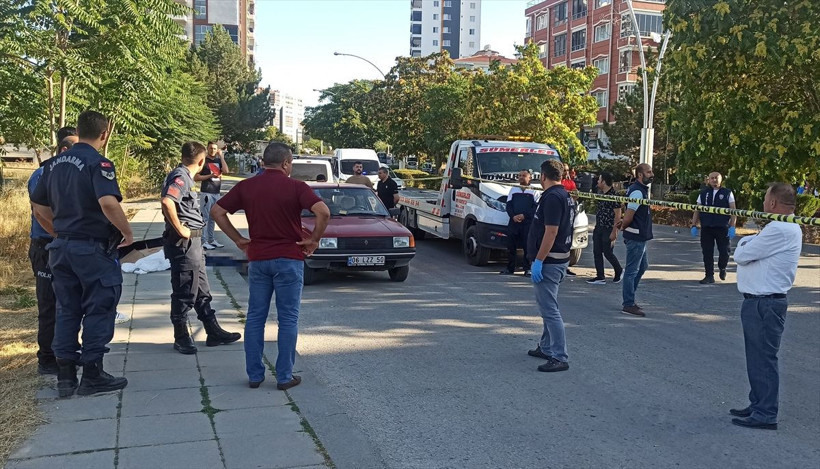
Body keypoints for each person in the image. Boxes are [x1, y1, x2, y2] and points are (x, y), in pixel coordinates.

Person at [211, 142, 331, 390]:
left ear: (264, 162)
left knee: (255, 317)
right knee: (288, 319)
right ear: (287, 163)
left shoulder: (246, 186)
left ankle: (255, 375)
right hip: (289, 259)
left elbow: (217, 211)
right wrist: (314, 239)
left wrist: (238, 239)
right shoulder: (296, 187)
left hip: (258, 259)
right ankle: (284, 377)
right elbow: (323, 212)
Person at [30, 110, 131, 398]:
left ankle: (65, 376)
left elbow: (40, 209)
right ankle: (93, 374)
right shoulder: (98, 163)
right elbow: (108, 203)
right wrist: (128, 233)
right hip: (91, 249)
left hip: (60, 249)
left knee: (67, 308)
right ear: (104, 133)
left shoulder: (51, 165)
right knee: (100, 307)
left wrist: (58, 233)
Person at [730, 183, 801, 430]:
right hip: (761, 302)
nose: (763, 204)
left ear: (772, 204)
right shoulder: (783, 226)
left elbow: (740, 255)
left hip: (765, 303)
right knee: (757, 357)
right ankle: (758, 403)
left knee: (763, 358)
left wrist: (744, 244)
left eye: (765, 199)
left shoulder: (780, 228)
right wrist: (749, 245)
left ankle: (766, 412)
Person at [160, 142, 242, 355]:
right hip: (185, 245)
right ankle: (181, 336)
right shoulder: (180, 176)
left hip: (194, 244)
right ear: (202, 160)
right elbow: (167, 201)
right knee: (184, 291)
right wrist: (181, 229)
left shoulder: (185, 176)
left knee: (202, 291)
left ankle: (212, 331)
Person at [26, 130, 79, 375]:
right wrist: (61, 236)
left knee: (69, 302)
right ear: (64, 151)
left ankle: (68, 350)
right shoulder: (42, 174)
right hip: (46, 246)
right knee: (49, 305)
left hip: (65, 246)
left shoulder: (66, 172)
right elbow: (41, 212)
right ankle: (47, 358)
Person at [527, 159, 575, 372]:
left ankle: (559, 356)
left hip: (550, 261)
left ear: (542, 176)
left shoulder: (553, 198)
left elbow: (552, 231)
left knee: (549, 310)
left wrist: (539, 260)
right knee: (549, 306)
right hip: (558, 258)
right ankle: (546, 347)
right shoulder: (564, 195)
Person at [619, 163, 654, 317]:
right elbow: (629, 214)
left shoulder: (639, 190)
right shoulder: (637, 192)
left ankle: (630, 297)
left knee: (642, 267)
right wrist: (623, 226)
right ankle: (628, 303)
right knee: (632, 270)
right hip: (635, 236)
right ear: (640, 175)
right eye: (649, 172)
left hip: (639, 235)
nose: (651, 174)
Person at [691, 172, 737, 284]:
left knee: (724, 251)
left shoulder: (727, 193)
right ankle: (709, 276)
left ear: (721, 180)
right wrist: (693, 224)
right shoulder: (703, 193)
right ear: (708, 180)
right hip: (707, 227)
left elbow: (733, 210)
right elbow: (697, 209)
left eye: (716, 178)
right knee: (707, 252)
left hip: (722, 227)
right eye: (712, 178)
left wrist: (732, 226)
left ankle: (722, 268)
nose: (714, 180)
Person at [587, 172, 623, 284]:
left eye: (599, 180)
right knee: (596, 251)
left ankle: (619, 270)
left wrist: (614, 232)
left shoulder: (614, 195)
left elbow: (618, 216)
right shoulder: (600, 193)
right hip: (599, 227)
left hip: (608, 228)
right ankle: (600, 276)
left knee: (607, 252)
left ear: (604, 182)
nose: (597, 182)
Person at [501, 169, 537, 276]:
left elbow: (535, 208)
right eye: (520, 175)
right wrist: (513, 216)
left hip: (527, 224)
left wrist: (524, 216)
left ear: (529, 177)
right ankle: (510, 268)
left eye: (524, 175)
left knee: (527, 246)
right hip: (514, 222)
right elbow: (509, 205)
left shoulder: (534, 190)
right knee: (511, 246)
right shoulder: (513, 190)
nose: (521, 177)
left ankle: (527, 269)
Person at [195, 141, 229, 250]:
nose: (213, 150)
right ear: (207, 149)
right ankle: (203, 241)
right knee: (204, 217)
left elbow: (226, 171)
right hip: (207, 192)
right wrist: (210, 175)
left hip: (216, 192)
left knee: (213, 217)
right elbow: (196, 177)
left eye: (215, 148)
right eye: (210, 148)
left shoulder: (219, 160)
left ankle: (211, 239)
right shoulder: (203, 161)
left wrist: (221, 156)